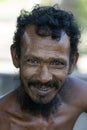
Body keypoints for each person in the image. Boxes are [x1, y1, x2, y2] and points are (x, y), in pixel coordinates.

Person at [0, 4, 87, 130]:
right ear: (16, 57)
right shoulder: (4, 119)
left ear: (72, 63)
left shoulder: (77, 94)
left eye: (57, 63)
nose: (44, 78)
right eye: (33, 61)